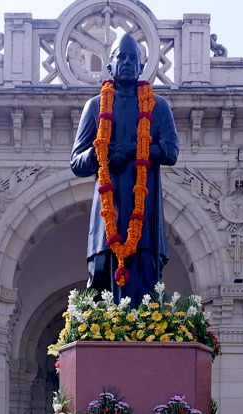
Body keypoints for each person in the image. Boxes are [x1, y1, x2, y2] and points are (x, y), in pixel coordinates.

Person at [69, 33, 180, 302]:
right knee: (101, 274)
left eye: (133, 58)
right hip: (108, 212)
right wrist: (101, 155)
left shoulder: (159, 107)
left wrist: (132, 150)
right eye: (121, 57)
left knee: (144, 280)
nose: (127, 63)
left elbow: (171, 152)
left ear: (142, 67)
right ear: (110, 66)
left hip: (145, 212)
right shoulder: (95, 106)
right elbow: (76, 162)